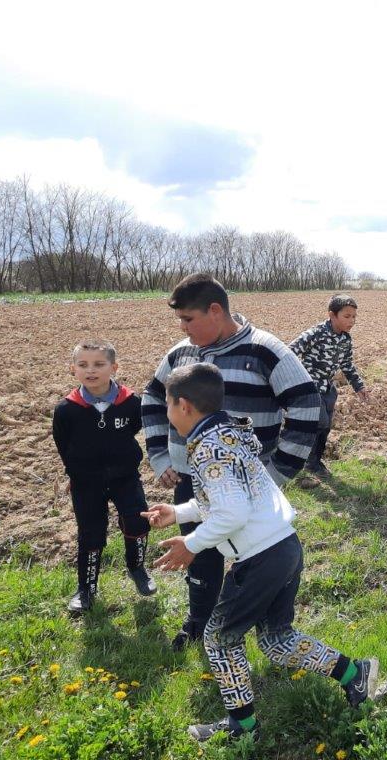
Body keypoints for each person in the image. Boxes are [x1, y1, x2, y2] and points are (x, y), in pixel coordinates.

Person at [142, 363, 382, 744]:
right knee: (274, 638)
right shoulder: (229, 434)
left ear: (183, 406)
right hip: (283, 546)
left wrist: (191, 543)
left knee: (219, 639)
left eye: (167, 406)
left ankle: (243, 729)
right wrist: (180, 513)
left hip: (259, 558)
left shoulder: (208, 448)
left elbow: (232, 512)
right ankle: (355, 674)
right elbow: (236, 499)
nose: (167, 414)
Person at [143, 273, 321, 651]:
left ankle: (264, 629)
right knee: (202, 550)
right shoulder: (180, 355)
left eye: (188, 319)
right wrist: (160, 456)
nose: (183, 329)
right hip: (192, 473)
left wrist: (279, 472)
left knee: (250, 552)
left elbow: (307, 404)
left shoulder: (265, 351)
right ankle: (200, 621)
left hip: (248, 482)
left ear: (215, 310)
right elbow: (153, 398)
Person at [53, 340, 156, 613]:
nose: (91, 371)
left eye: (99, 364)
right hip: (86, 482)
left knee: (137, 521)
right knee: (91, 533)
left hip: (125, 477)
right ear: (73, 369)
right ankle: (86, 588)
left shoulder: (131, 403)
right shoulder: (66, 409)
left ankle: (137, 569)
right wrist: (75, 471)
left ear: (114, 367)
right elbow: (63, 444)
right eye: (83, 365)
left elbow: (137, 429)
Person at [289, 294, 368, 477]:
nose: (352, 321)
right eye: (347, 316)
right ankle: (308, 462)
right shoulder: (315, 334)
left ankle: (314, 461)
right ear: (332, 315)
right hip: (309, 387)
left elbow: (347, 365)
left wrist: (359, 386)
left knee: (325, 427)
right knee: (320, 423)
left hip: (328, 388)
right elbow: (290, 352)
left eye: (354, 316)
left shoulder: (345, 340)